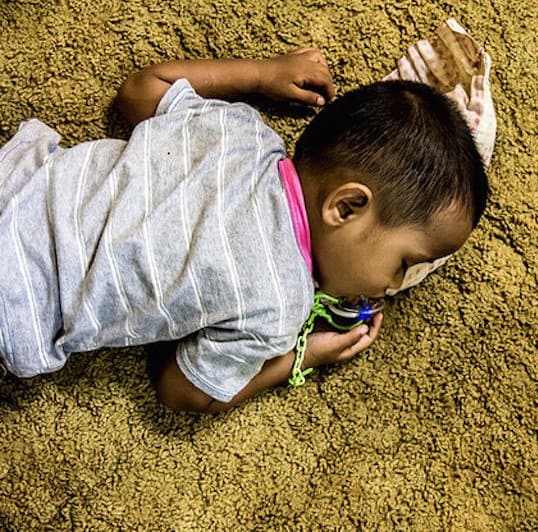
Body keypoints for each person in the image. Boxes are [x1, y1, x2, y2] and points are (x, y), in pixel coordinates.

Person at [0, 48, 489, 413]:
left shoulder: (242, 129)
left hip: (19, 180)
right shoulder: (279, 304)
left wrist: (259, 74)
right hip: (20, 299)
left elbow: (140, 90)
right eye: (404, 263)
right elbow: (182, 391)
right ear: (346, 206)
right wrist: (301, 356)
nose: (392, 286)